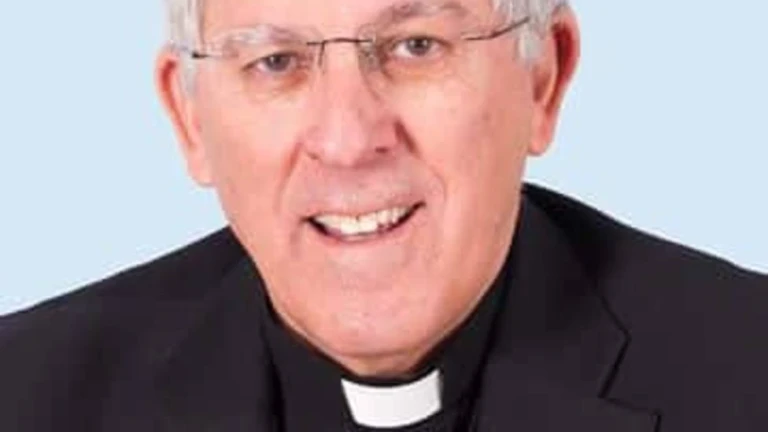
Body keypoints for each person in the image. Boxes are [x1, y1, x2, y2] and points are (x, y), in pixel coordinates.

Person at [1, 0, 766, 430]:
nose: (348, 139)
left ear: (543, 78)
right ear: (189, 118)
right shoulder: (27, 394)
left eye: (416, 47)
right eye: (276, 62)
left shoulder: (748, 376)